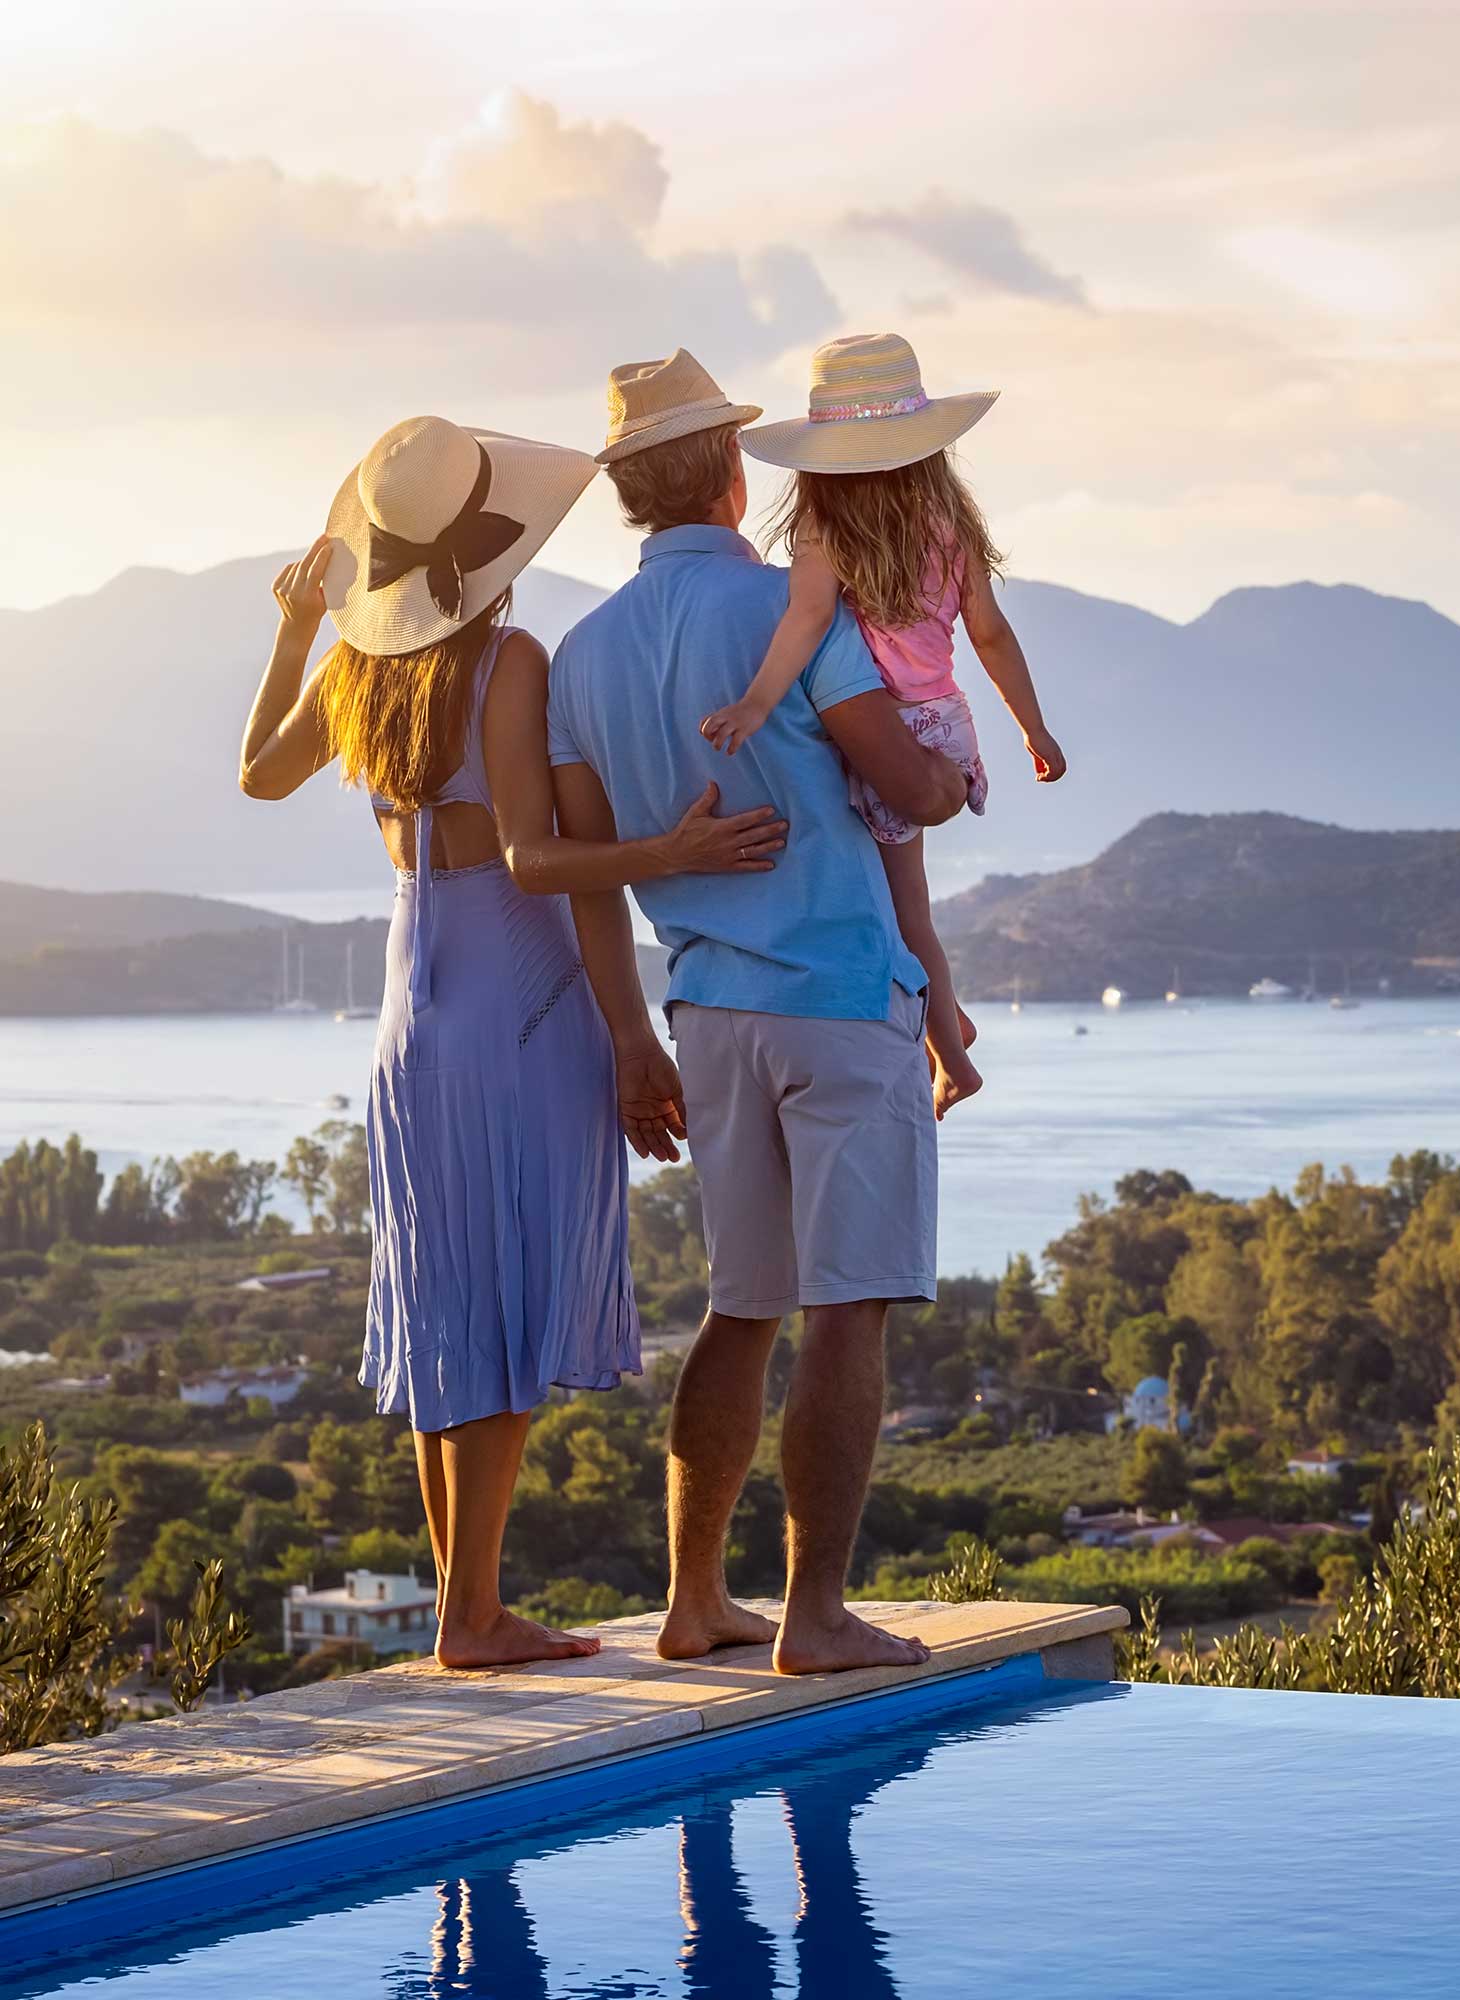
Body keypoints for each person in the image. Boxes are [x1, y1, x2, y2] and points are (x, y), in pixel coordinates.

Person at [239, 415, 781, 1668]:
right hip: (513, 998)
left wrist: (294, 627)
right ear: (494, 557)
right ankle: (473, 1614)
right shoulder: (511, 658)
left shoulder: (362, 676)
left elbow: (260, 774)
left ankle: (461, 1607)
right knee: (508, 1300)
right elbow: (545, 863)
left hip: (408, 1007)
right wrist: (672, 856)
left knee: (449, 1306)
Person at [546, 348, 966, 1674]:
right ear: (735, 470)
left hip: (706, 1013)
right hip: (841, 999)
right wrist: (952, 776)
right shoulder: (794, 605)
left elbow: (594, 884)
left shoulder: (582, 657)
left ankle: (692, 1601)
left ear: (628, 494)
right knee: (852, 1310)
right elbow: (899, 771)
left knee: (742, 1309)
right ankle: (817, 1616)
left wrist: (629, 1041)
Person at [701, 332, 1065, 1116]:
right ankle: (949, 1012)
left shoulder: (824, 535)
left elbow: (802, 627)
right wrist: (1034, 730)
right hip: (944, 724)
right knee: (906, 904)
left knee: (901, 911)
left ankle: (951, 1054)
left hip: (879, 739)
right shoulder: (950, 527)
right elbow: (991, 634)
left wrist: (757, 704)